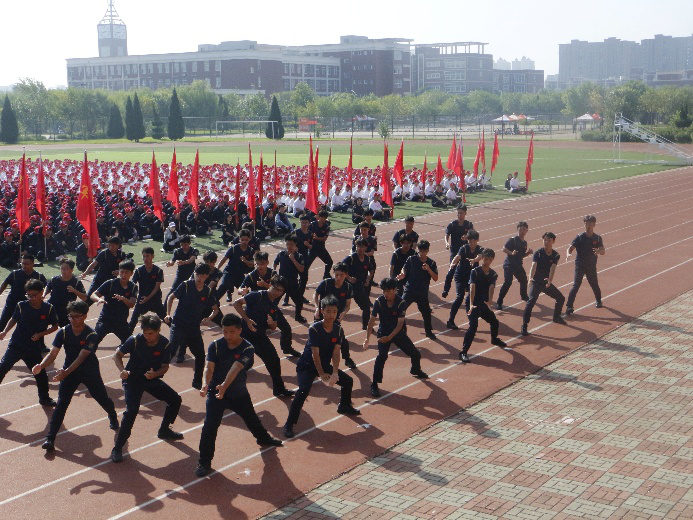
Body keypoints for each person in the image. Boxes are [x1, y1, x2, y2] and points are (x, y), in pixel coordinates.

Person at [196, 313, 283, 477]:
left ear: (239, 330)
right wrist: (205, 383)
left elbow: (235, 368)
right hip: (216, 393)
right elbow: (209, 367)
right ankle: (204, 462)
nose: (228, 335)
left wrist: (224, 386)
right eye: (224, 331)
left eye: (232, 332)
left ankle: (263, 438)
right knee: (209, 427)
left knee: (251, 418)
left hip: (237, 392)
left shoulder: (247, 348)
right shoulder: (215, 345)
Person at [34, 300, 119, 451]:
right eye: (70, 316)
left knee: (101, 398)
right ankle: (50, 438)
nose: (73, 319)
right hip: (69, 372)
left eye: (76, 316)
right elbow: (53, 353)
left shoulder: (91, 334)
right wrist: (41, 365)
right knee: (62, 403)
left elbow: (82, 356)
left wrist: (65, 372)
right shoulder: (63, 332)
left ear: (85, 316)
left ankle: (112, 414)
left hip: (89, 371)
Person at [283, 295, 360, 438]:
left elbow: (336, 352)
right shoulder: (315, 329)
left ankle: (344, 405)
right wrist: (322, 374)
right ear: (322, 311)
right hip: (307, 365)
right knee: (302, 391)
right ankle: (289, 424)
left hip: (324, 364)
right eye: (328, 311)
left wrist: (335, 372)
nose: (331, 315)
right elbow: (315, 354)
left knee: (348, 381)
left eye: (334, 311)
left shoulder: (338, 330)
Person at [111, 313, 184, 463]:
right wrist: (122, 370)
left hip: (150, 378)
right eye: (145, 333)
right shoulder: (135, 340)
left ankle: (164, 430)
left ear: (158, 331)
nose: (147, 336)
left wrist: (155, 374)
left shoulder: (165, 344)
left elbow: (165, 367)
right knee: (131, 411)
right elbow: (117, 355)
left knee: (175, 400)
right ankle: (117, 448)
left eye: (150, 333)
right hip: (132, 379)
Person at [363, 278, 428, 397]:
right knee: (381, 357)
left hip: (397, 333)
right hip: (383, 332)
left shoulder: (401, 303)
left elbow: (399, 325)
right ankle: (374, 384)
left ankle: (415, 370)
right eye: (384, 291)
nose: (385, 294)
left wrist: (390, 337)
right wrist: (367, 338)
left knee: (415, 354)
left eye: (388, 291)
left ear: (395, 290)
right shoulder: (379, 302)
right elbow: (371, 320)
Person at [233, 275, 295, 397]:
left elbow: (274, 327)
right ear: (270, 285)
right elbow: (237, 303)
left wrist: (271, 324)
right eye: (275, 288)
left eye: (280, 291)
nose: (277, 292)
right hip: (244, 335)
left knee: (274, 360)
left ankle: (279, 389)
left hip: (259, 337)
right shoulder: (258, 295)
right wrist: (247, 320)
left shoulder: (273, 306)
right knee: (237, 364)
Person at [0, 279, 58, 406]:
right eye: (29, 295)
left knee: (40, 374)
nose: (31, 298)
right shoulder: (21, 305)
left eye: (34, 295)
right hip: (16, 345)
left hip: (33, 348)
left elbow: (55, 326)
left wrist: (41, 334)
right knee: (2, 367)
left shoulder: (48, 309)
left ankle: (44, 398)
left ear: (41, 293)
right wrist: (4, 331)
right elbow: (13, 319)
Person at [166, 262, 219, 387]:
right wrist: (168, 314)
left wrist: (208, 318)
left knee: (200, 355)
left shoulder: (207, 291)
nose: (200, 278)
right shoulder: (185, 285)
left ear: (207, 276)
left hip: (193, 328)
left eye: (203, 275)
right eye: (198, 275)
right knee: (170, 352)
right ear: (194, 274)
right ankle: (151, 372)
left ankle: (197, 382)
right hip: (178, 324)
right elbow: (171, 297)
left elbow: (216, 309)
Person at [460, 249, 507, 363]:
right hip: (473, 303)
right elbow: (472, 287)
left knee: (494, 322)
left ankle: (494, 339)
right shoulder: (475, 272)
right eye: (485, 259)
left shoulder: (493, 274)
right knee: (473, 326)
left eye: (490, 259)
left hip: (483, 303)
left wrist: (490, 301)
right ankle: (463, 352)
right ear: (482, 258)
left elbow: (491, 287)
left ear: (492, 260)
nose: (487, 262)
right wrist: (471, 304)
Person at [521, 232, 567, 336]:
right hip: (536, 282)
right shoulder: (538, 253)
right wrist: (530, 278)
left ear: (553, 241)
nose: (546, 242)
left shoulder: (556, 255)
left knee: (560, 298)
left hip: (546, 282)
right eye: (545, 240)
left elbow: (553, 268)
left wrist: (550, 280)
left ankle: (556, 317)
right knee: (531, 301)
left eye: (549, 240)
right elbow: (533, 266)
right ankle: (524, 325)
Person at [314, 263, 356, 369]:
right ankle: (313, 362)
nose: (338, 277)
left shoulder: (348, 287)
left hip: (334, 318)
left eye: (341, 275)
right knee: (316, 340)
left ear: (346, 275)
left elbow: (347, 305)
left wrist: (344, 313)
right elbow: (316, 294)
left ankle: (347, 358)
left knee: (342, 340)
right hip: (321, 316)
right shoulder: (326, 283)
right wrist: (317, 308)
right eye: (336, 275)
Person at [397, 240, 438, 340]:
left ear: (427, 251)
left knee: (426, 313)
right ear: (418, 250)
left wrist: (429, 269)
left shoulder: (431, 263)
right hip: (409, 290)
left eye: (424, 251)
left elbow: (435, 278)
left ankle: (428, 331)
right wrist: (403, 274)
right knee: (400, 309)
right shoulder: (411, 259)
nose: (422, 253)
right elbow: (404, 268)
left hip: (422, 292)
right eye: (420, 250)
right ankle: (401, 330)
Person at [91, 260, 138, 345]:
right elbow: (93, 295)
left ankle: (121, 352)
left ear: (131, 273)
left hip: (121, 322)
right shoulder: (110, 283)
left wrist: (123, 299)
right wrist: (99, 299)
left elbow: (131, 304)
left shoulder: (133, 287)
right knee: (93, 342)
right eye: (122, 272)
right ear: (118, 272)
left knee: (132, 344)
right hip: (105, 320)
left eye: (127, 272)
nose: (124, 275)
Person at [444, 230, 483, 330]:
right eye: (469, 241)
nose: (471, 243)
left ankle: (472, 318)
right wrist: (452, 264)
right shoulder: (464, 248)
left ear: (477, 240)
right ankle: (450, 320)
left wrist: (474, 260)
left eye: (473, 241)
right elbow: (457, 256)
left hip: (471, 276)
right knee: (459, 297)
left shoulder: (480, 249)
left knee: (473, 297)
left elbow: (480, 256)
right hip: (460, 276)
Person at [566, 215, 605, 315]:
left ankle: (598, 301)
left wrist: (599, 251)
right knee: (576, 285)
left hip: (591, 265)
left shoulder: (597, 238)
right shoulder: (580, 237)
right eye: (587, 223)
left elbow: (603, 251)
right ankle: (569, 306)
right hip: (580, 265)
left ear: (594, 224)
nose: (589, 225)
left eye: (591, 223)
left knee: (594, 284)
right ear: (584, 224)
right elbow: (570, 247)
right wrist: (568, 253)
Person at [0, 254, 48, 331]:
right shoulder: (15, 274)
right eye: (22, 263)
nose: (24, 266)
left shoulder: (38, 276)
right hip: (12, 304)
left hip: (28, 306)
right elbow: (5, 283)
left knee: (28, 328)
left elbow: (47, 286)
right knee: (2, 324)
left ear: (33, 263)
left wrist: (43, 294)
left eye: (27, 264)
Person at [496, 221, 532, 311]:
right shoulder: (513, 240)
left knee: (524, 280)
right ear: (517, 230)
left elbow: (521, 255)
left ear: (527, 230)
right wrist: (511, 253)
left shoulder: (524, 243)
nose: (522, 231)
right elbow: (504, 249)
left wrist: (527, 253)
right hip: (509, 265)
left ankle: (524, 296)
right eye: (520, 229)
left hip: (518, 265)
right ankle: (499, 302)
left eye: (524, 229)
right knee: (508, 282)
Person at [129, 247, 165, 333]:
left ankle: (177, 334)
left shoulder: (158, 271)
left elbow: (156, 287)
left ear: (153, 256)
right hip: (142, 300)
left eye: (147, 256)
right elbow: (132, 285)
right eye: (144, 256)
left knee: (166, 318)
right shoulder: (139, 271)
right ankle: (126, 339)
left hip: (155, 299)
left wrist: (147, 298)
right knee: (133, 321)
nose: (145, 259)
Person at [43, 258, 87, 328]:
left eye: (66, 269)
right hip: (53, 307)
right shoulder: (54, 279)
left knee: (66, 329)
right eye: (62, 268)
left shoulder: (76, 282)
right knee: (41, 322)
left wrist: (74, 291)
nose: (63, 271)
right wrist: (44, 294)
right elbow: (48, 287)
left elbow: (84, 297)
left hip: (66, 310)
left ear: (72, 270)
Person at [273, 234, 307, 324]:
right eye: (287, 244)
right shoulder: (281, 254)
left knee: (299, 302)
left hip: (293, 283)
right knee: (274, 301)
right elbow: (275, 263)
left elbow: (301, 269)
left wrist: (293, 260)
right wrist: (274, 271)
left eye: (291, 244)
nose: (289, 246)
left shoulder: (299, 256)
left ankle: (298, 316)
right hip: (281, 283)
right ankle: (272, 317)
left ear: (295, 245)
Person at [81, 236, 127, 303]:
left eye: (113, 246)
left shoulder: (121, 254)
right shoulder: (104, 253)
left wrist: (119, 271)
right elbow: (94, 263)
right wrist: (85, 272)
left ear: (118, 245)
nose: (110, 247)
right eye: (109, 245)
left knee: (112, 300)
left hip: (111, 281)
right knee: (89, 298)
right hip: (99, 279)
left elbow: (126, 267)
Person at [343, 238, 376, 330]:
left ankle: (366, 325)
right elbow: (340, 268)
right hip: (347, 287)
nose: (360, 248)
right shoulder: (350, 258)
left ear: (366, 247)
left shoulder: (367, 259)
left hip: (358, 287)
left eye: (362, 246)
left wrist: (368, 279)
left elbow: (371, 270)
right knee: (338, 307)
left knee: (366, 307)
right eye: (358, 246)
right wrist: (349, 278)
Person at [216, 229, 254, 302]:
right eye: (242, 240)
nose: (244, 242)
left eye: (246, 240)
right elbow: (224, 259)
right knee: (224, 285)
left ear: (249, 239)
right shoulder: (233, 249)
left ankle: (251, 305)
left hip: (239, 274)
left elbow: (252, 264)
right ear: (239, 239)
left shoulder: (250, 251)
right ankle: (212, 303)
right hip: (229, 272)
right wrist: (217, 269)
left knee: (245, 292)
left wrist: (246, 261)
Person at [164, 235, 198, 302]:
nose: (183, 247)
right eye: (182, 245)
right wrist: (169, 263)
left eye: (185, 245)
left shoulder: (194, 250)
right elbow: (172, 262)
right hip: (180, 275)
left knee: (194, 292)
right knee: (172, 291)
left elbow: (192, 259)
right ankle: (164, 307)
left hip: (191, 275)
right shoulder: (177, 251)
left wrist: (184, 262)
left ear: (189, 243)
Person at [307, 210, 333, 282]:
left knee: (329, 262)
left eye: (325, 218)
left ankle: (326, 275)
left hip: (321, 248)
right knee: (307, 264)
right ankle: (303, 277)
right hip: (313, 248)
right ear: (319, 217)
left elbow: (324, 239)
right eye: (322, 217)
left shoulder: (326, 226)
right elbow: (308, 234)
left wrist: (317, 238)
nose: (323, 219)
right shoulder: (312, 225)